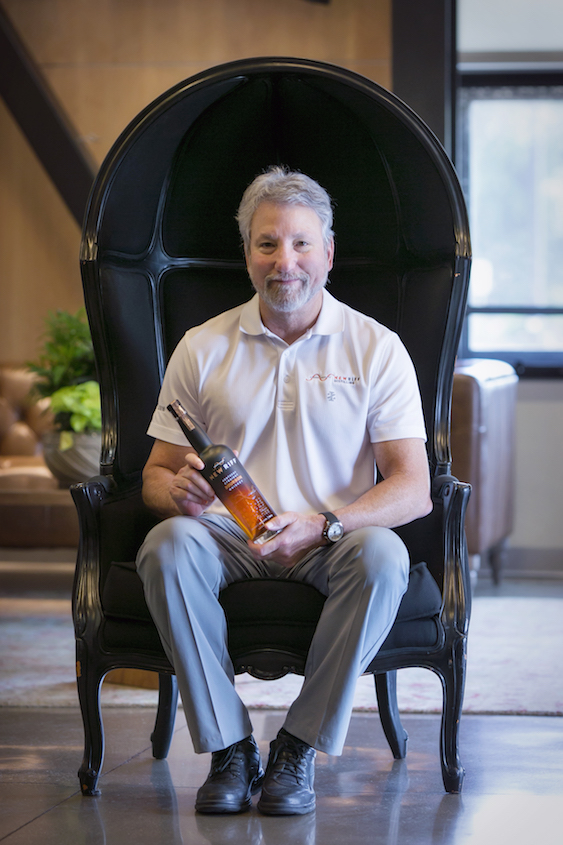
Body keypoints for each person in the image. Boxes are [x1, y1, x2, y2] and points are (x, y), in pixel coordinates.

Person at [136, 166, 432, 816]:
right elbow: (155, 474)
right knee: (165, 545)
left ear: (327, 251)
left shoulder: (376, 348)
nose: (284, 261)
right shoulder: (201, 347)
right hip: (226, 534)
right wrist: (174, 491)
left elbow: (413, 488)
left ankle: (296, 746)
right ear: (246, 255)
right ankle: (231, 747)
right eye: (267, 243)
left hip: (331, 535)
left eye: (300, 243)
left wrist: (325, 523)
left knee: (383, 557)